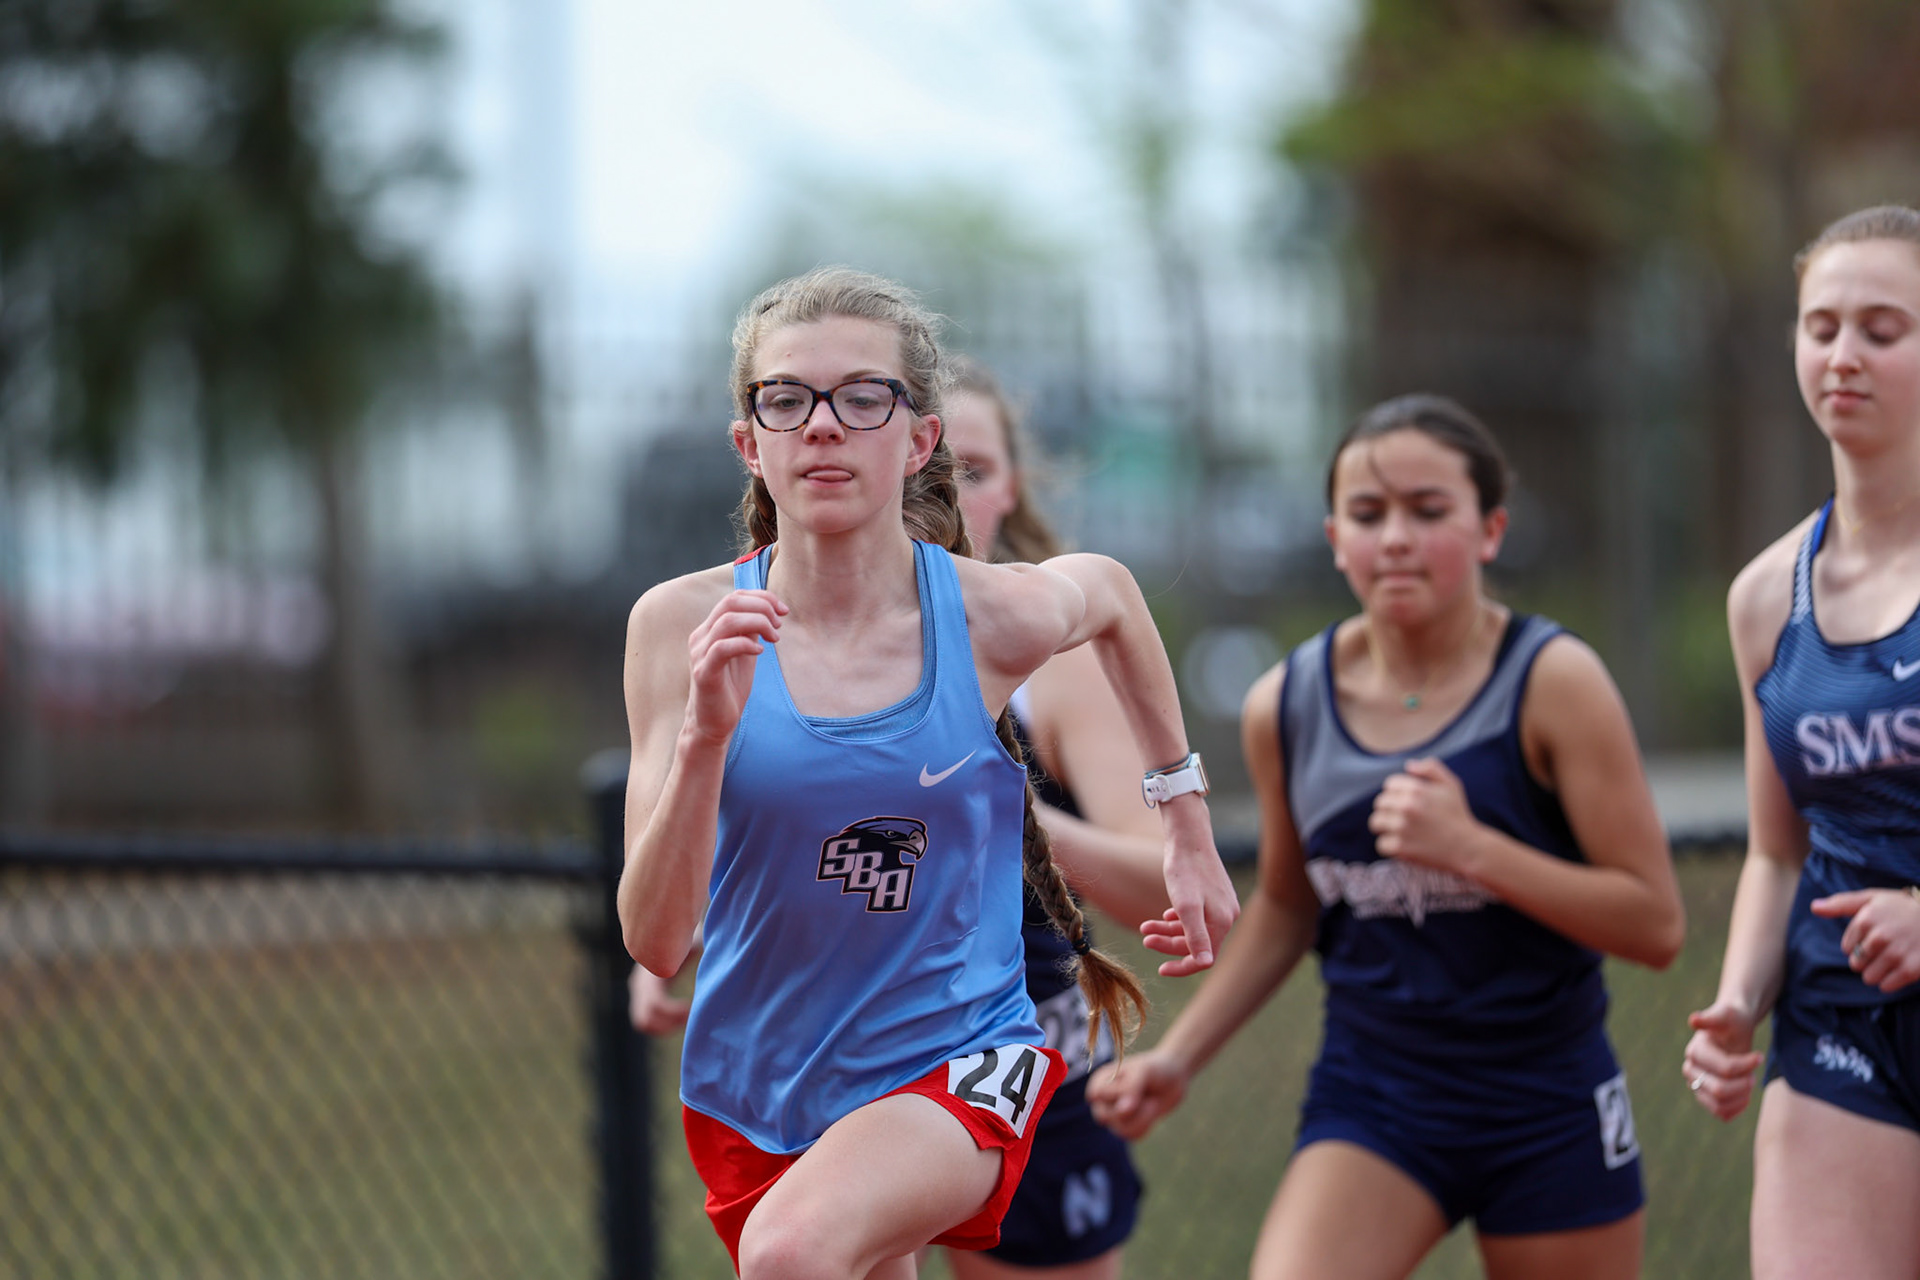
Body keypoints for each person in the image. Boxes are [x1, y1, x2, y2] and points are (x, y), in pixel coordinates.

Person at [616, 266, 1239, 1280]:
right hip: (756, 1086)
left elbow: (1116, 595)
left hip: (961, 1054)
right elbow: (655, 937)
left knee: (793, 1251)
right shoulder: (680, 627)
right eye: (787, 399)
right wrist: (702, 742)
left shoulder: (988, 614)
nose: (823, 425)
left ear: (918, 441)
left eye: (863, 397)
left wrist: (1186, 822)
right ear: (750, 441)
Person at [1088, 393, 1685, 1280]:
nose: (1395, 537)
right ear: (1335, 539)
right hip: (1379, 1097)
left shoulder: (1554, 681)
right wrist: (1178, 1058)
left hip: (1547, 1097)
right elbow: (1289, 909)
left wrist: (1475, 850)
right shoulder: (1286, 704)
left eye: (1428, 510)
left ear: (1491, 530)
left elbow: (1656, 926)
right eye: (1369, 515)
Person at [1683, 204, 1920, 1279]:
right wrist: (1738, 1000)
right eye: (1821, 325)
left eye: (1883, 327)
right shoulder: (1763, 597)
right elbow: (1778, 849)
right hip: (1842, 1029)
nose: (1844, 355)